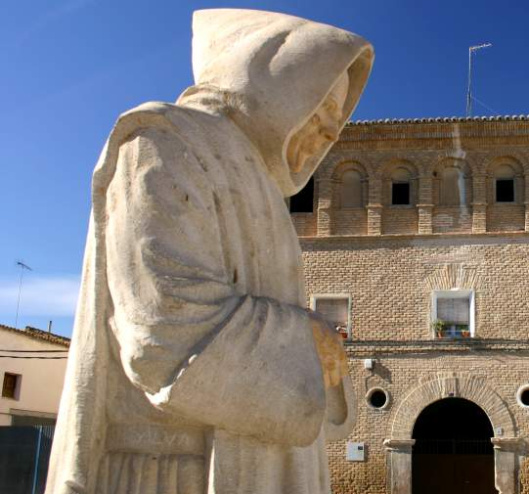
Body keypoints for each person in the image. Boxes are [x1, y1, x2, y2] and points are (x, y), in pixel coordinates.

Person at [45, 9, 373, 494]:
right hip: (180, 471)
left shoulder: (262, 188)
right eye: (320, 112)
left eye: (334, 127)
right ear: (274, 84)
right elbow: (161, 331)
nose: (327, 137)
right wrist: (306, 340)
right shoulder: (162, 140)